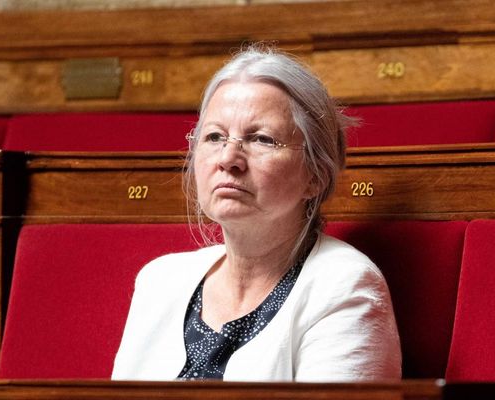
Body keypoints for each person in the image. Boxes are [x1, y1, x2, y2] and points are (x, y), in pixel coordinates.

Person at [112, 45, 401, 382]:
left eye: (262, 139)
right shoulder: (159, 281)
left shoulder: (344, 286)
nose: (228, 158)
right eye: (215, 136)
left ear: (316, 175)